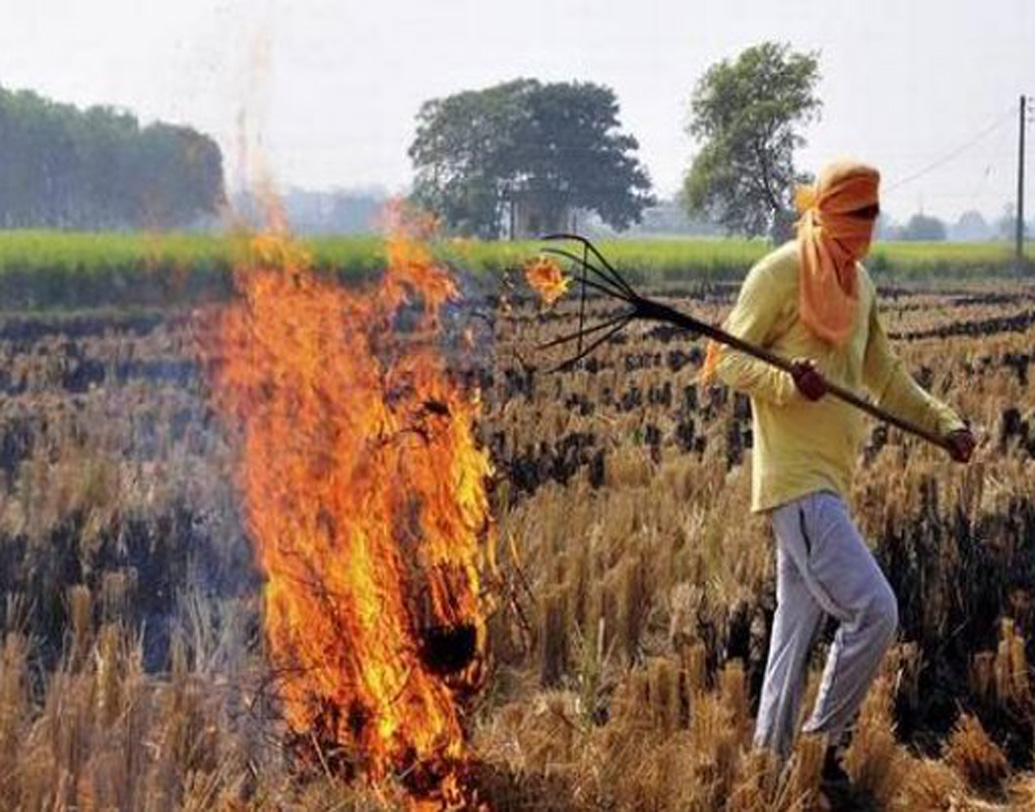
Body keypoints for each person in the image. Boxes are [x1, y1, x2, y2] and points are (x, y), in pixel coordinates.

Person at [700, 160, 975, 782]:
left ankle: (769, 772)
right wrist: (788, 378)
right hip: (796, 482)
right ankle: (821, 751)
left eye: (873, 217)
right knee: (875, 610)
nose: (867, 230)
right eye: (858, 216)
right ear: (829, 213)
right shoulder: (780, 272)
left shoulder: (860, 285)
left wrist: (945, 424)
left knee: (792, 637)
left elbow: (886, 377)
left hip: (830, 482)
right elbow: (728, 363)